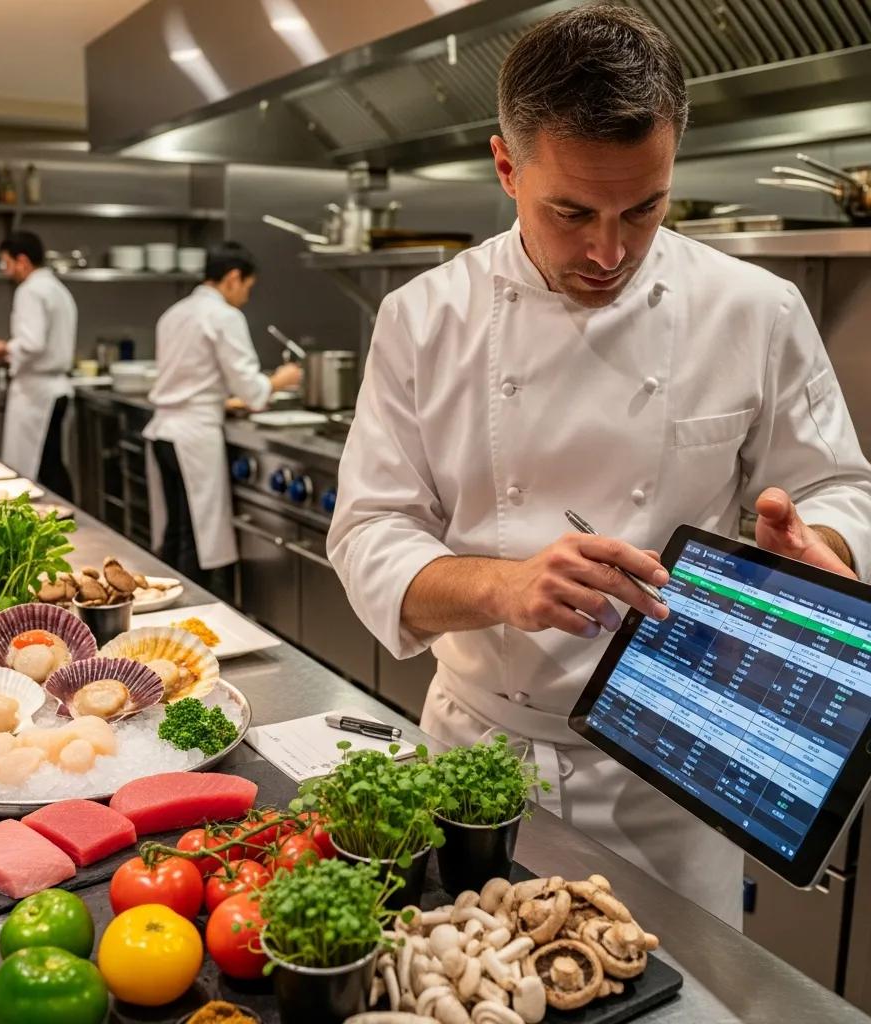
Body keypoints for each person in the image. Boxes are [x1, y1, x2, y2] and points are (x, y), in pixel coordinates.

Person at [327, 4, 871, 927]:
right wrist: (502, 585)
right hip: (476, 765)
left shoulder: (754, 309)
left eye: (646, 208)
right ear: (506, 166)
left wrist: (816, 545)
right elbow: (368, 532)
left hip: (671, 778)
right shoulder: (425, 319)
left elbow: (837, 485)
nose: (609, 251)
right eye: (571, 211)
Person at [143, 242, 301, 597]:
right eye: (247, 286)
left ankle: (170, 611)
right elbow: (250, 387)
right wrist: (282, 379)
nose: (246, 296)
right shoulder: (224, 316)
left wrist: (219, 399)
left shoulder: (175, 312)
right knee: (195, 539)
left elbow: (190, 377)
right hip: (193, 436)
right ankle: (192, 621)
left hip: (164, 432)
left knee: (176, 531)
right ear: (232, 278)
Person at [0, 231, 76, 499]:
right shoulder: (56, 288)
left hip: (38, 393)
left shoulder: (30, 290)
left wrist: (3, 348)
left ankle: (61, 521)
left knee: (43, 467)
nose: (6, 271)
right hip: (55, 388)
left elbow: (32, 343)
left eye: (6, 263)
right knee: (51, 462)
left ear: (22, 261)